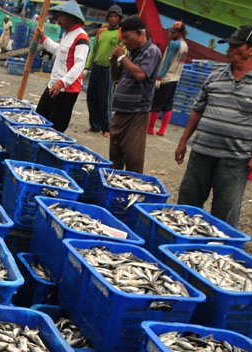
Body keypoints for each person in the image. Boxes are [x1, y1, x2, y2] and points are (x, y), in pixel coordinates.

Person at [175, 25, 252, 227]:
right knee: (186, 205)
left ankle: (221, 250)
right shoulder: (214, 77)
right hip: (201, 152)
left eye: (237, 46)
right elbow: (197, 110)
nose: (230, 50)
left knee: (224, 214)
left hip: (235, 159)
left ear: (250, 50)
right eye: (230, 45)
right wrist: (183, 141)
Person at [108, 15, 162, 173]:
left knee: (133, 158)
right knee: (115, 156)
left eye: (127, 37)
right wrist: (113, 62)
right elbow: (116, 78)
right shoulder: (131, 54)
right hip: (120, 111)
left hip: (136, 113)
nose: (124, 41)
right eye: (123, 38)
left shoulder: (152, 51)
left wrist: (122, 57)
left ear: (139, 33)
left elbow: (140, 75)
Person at [33, 0, 89, 133]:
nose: (58, 20)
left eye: (60, 17)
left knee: (56, 128)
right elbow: (59, 50)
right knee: (39, 118)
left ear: (70, 17)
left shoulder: (81, 37)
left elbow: (79, 64)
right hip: (54, 85)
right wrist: (44, 38)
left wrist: (62, 83)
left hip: (66, 90)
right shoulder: (67, 34)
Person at [85, 4, 122, 137]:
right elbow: (93, 50)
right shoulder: (101, 31)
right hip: (96, 67)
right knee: (91, 96)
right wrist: (87, 67)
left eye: (115, 16)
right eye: (110, 16)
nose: (112, 19)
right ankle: (94, 125)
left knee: (105, 99)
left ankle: (106, 128)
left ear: (119, 18)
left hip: (108, 69)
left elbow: (123, 52)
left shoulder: (120, 33)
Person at [149, 21, 188, 136]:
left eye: (172, 32)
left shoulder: (174, 44)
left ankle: (150, 128)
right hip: (175, 78)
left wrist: (159, 77)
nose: (170, 34)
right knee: (168, 105)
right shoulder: (185, 45)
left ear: (179, 33)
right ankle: (162, 130)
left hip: (166, 78)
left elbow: (167, 62)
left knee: (156, 104)